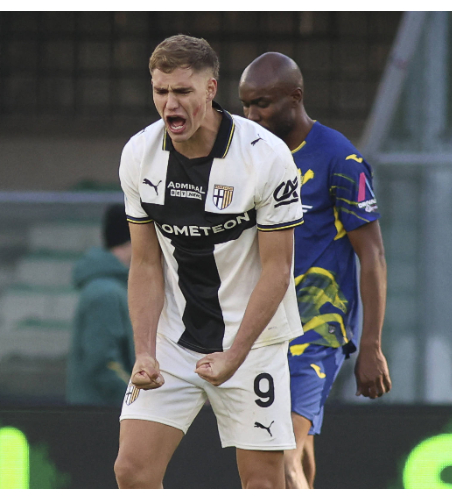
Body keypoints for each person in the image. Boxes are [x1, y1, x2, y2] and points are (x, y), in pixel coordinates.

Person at [114, 35, 305, 489]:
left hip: (251, 342)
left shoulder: (266, 157)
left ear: (210, 89)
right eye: (161, 91)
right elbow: (144, 264)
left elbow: (278, 270)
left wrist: (234, 356)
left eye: (182, 91)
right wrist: (144, 351)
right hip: (173, 341)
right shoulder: (139, 154)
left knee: (262, 484)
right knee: (132, 470)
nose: (169, 104)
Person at [239, 52, 392, 489]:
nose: (252, 116)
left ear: (296, 96)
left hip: (316, 332)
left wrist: (371, 346)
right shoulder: (250, 157)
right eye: (246, 105)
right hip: (261, 330)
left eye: (263, 104)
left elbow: (374, 256)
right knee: (297, 450)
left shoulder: (339, 159)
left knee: (280, 451)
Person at [65, 203, 135, 406]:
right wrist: (141, 401)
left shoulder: (115, 289)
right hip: (102, 415)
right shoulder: (105, 293)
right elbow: (104, 363)